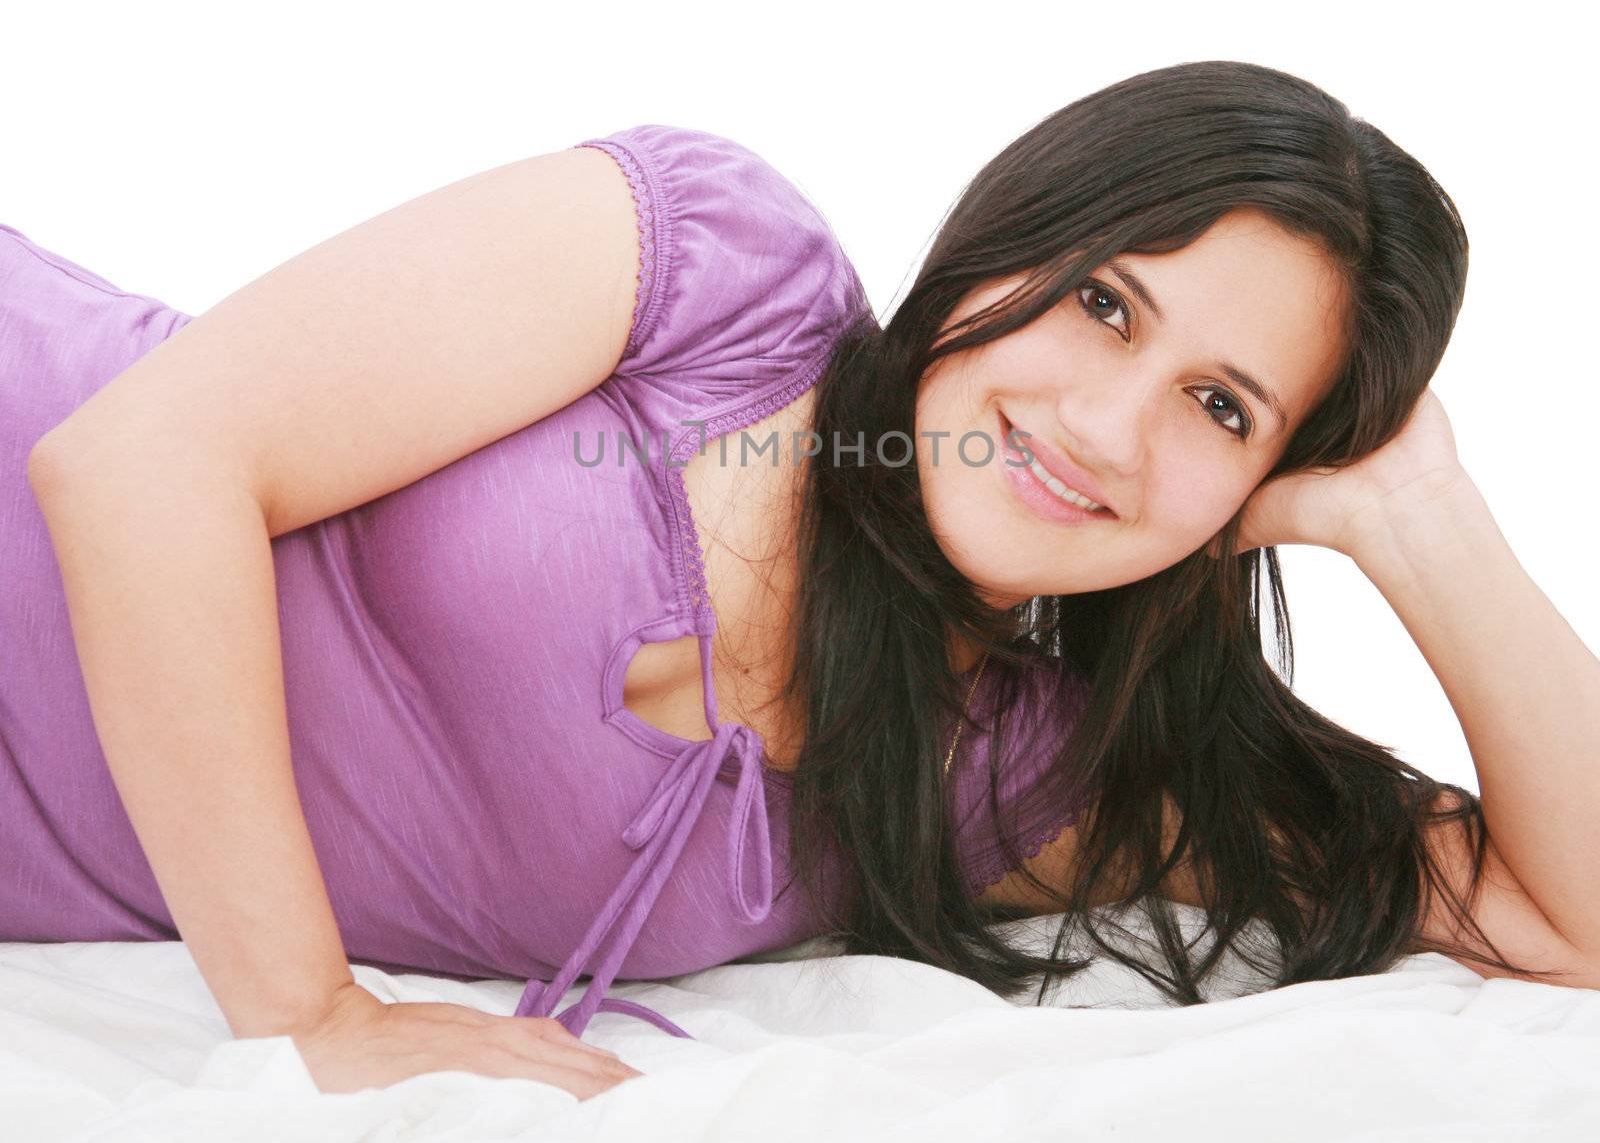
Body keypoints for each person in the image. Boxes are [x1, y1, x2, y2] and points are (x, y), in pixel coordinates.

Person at [5, 60, 1596, 1099]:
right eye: (1106, 304)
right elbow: (139, 464)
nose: (1105, 426)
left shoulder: (1016, 782)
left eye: (1222, 405)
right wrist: (314, 1015)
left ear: (1256, 489)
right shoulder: (715, 275)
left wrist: (1426, 516)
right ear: (1003, 244)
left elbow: (1563, 924)